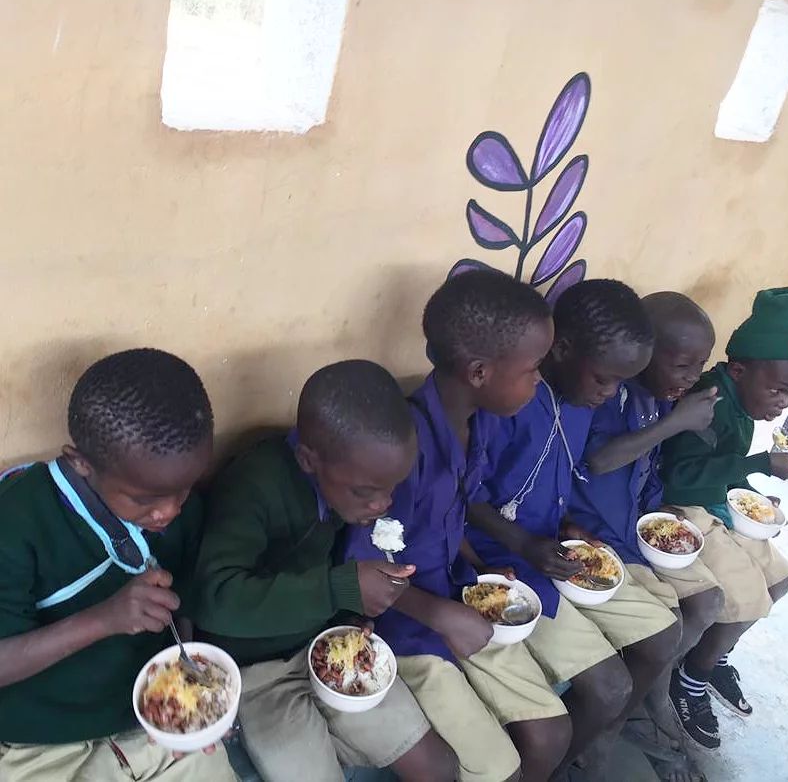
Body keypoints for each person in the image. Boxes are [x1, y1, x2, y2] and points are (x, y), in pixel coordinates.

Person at [342, 270, 572, 782]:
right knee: (499, 768)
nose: (539, 379)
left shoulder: (480, 422)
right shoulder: (400, 450)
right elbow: (361, 568)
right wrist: (441, 615)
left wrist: (479, 564)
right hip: (404, 625)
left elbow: (449, 516)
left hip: (457, 595)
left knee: (553, 732)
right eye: (533, 368)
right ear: (479, 373)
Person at [193, 360, 456, 782]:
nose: (382, 504)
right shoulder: (254, 486)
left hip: (324, 643)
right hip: (256, 668)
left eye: (391, 488)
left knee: (437, 766)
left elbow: (328, 566)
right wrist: (338, 590)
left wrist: (348, 612)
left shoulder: (345, 487)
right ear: (307, 459)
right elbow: (215, 598)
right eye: (367, 492)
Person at [466, 280, 682, 776]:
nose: (610, 394)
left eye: (620, 384)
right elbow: (468, 498)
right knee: (608, 687)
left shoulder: (580, 401)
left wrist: (568, 523)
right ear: (561, 349)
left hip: (549, 551)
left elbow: (549, 478)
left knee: (659, 641)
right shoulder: (509, 402)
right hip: (500, 564)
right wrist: (525, 543)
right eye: (605, 380)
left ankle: (579, 757)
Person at [0, 349, 236, 782]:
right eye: (144, 500)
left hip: (144, 716)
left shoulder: (181, 507)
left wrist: (188, 681)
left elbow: (181, 600)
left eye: (182, 490)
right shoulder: (16, 523)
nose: (167, 512)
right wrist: (105, 618)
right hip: (39, 740)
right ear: (80, 463)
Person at [661, 287, 788, 751]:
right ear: (738, 370)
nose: (783, 404)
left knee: (780, 582)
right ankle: (690, 677)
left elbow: (722, 471)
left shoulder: (741, 402)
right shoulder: (712, 405)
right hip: (682, 506)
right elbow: (679, 476)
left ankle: (715, 654)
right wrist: (760, 464)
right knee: (746, 598)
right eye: (779, 390)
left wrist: (754, 494)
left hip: (714, 503)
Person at [570, 292, 724, 659]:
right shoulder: (605, 395)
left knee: (706, 602)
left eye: (700, 366)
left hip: (631, 529)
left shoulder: (658, 397)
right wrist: (676, 423)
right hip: (595, 532)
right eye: (682, 365)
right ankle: (647, 704)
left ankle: (660, 694)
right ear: (642, 355)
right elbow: (599, 461)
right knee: (667, 623)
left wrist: (657, 507)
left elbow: (647, 465)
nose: (692, 378)